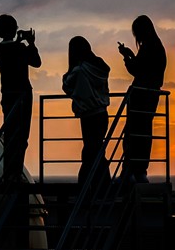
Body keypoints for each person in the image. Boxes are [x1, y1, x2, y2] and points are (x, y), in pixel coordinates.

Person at [117, 15, 166, 184]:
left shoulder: (148, 48)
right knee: (143, 132)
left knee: (132, 133)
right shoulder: (156, 47)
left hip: (140, 95)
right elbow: (143, 68)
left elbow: (137, 70)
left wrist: (126, 57)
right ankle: (139, 171)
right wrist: (131, 55)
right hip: (150, 95)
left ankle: (129, 171)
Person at [0, 14, 42, 184]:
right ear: (12, 29)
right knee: (21, 137)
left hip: (7, 95)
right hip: (22, 95)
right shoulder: (19, 48)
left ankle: (10, 173)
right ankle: (15, 173)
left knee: (11, 135)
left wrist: (21, 42)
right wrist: (31, 43)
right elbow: (36, 62)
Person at [62, 36, 112, 190]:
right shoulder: (100, 66)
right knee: (96, 150)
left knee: (90, 150)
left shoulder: (79, 70)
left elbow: (67, 86)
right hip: (102, 113)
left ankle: (86, 184)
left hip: (88, 115)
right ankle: (101, 185)